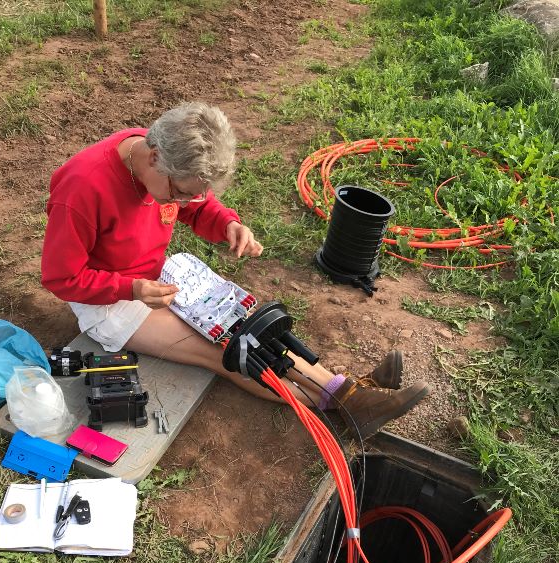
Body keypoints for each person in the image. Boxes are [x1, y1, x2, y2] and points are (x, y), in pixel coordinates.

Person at [41, 102, 429, 440]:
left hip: (157, 278)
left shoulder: (167, 162)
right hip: (109, 302)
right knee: (228, 351)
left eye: (192, 193)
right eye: (179, 193)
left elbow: (199, 205)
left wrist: (227, 222)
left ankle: (349, 393)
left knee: (252, 329)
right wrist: (131, 289)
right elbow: (61, 277)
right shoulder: (83, 187)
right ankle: (348, 405)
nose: (185, 201)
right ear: (155, 156)